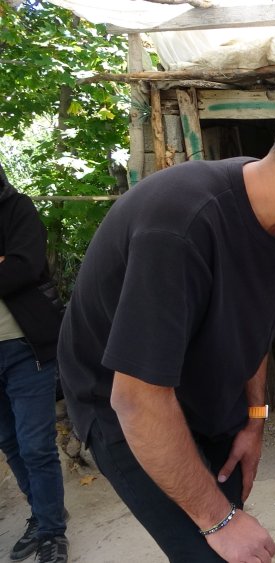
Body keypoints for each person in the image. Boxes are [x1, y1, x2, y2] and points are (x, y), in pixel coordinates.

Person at [58, 77, 275, 562]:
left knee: (234, 533)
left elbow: (255, 328)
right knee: (219, 545)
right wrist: (217, 520)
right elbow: (137, 399)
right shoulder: (179, 224)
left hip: (198, 387)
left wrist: (254, 418)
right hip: (125, 405)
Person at [0, 163, 69, 563]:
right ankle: (43, 515)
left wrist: (9, 265)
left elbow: (23, 267)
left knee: (35, 445)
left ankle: (52, 534)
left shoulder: (16, 208)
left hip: (26, 347)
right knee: (9, 442)